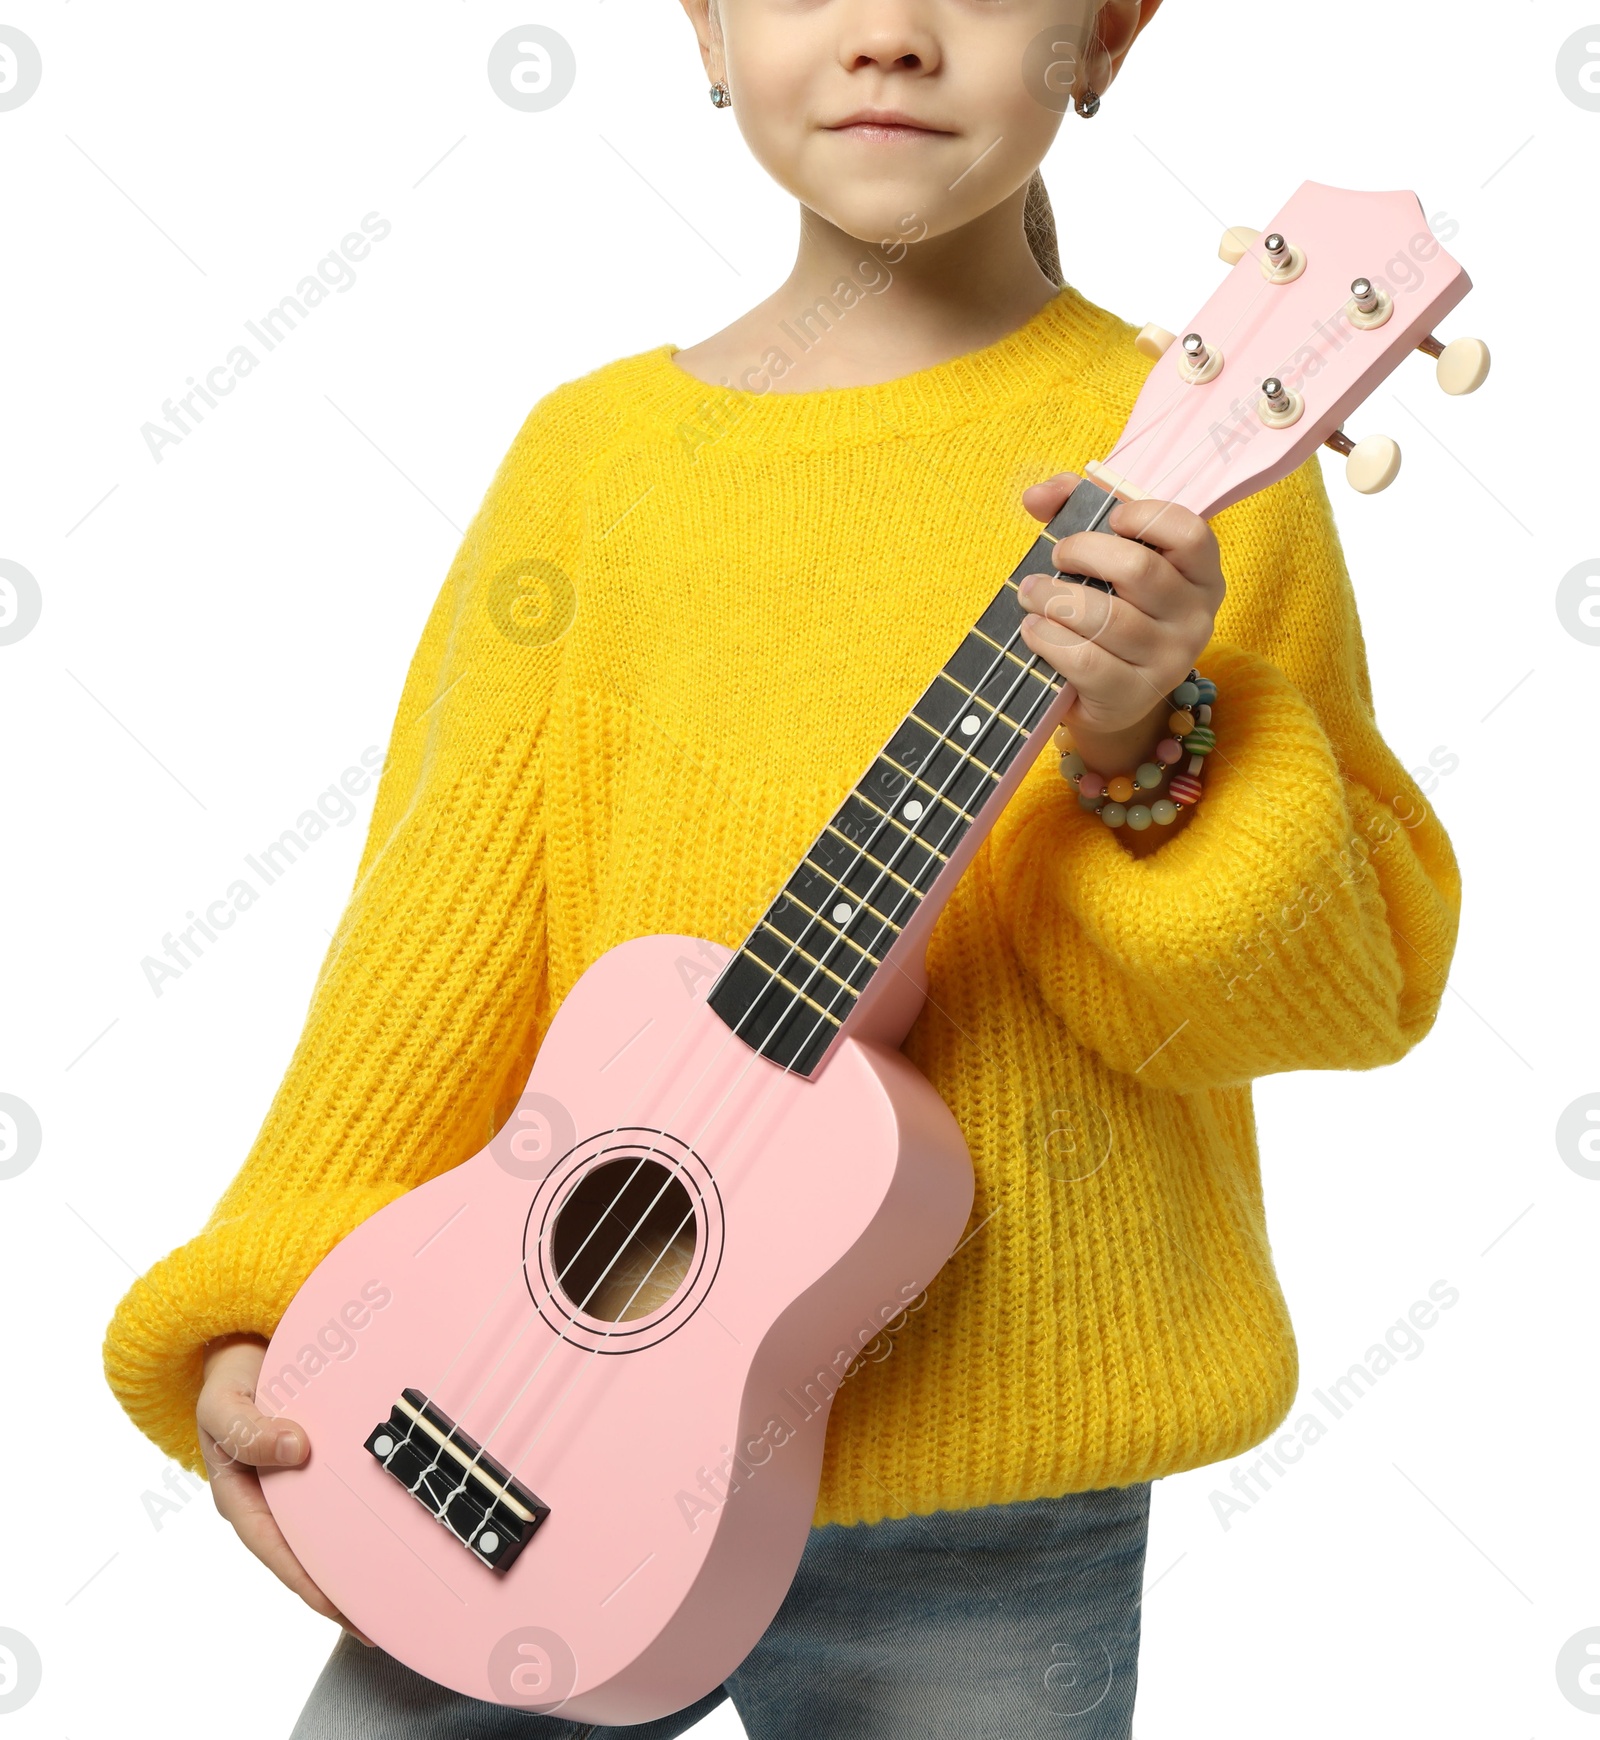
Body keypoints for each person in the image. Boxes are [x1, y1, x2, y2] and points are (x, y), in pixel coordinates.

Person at [101, 0, 1463, 1734]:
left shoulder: (1198, 484)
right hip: (523, 1423)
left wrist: (1145, 746)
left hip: (995, 1492)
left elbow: (1344, 992)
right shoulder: (595, 467)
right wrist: (261, 1307)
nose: (889, 35)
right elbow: (432, 939)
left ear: (1104, 38)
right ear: (710, 32)